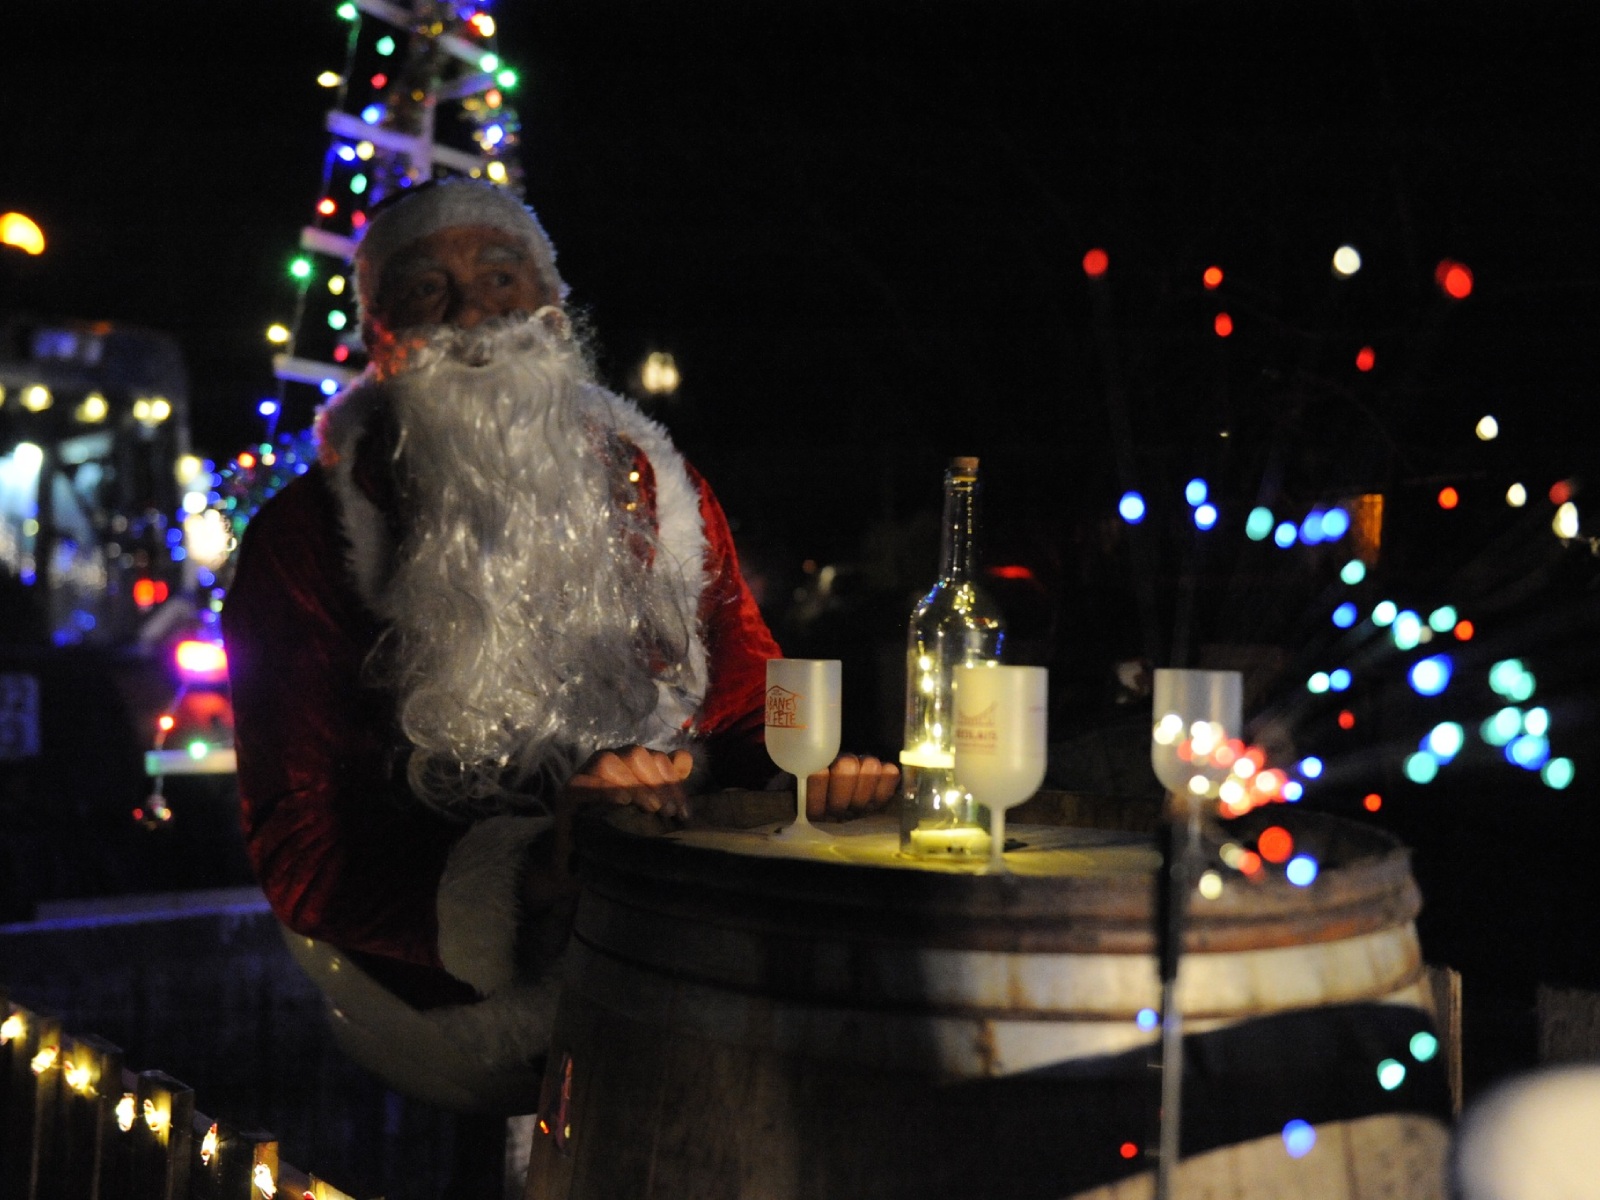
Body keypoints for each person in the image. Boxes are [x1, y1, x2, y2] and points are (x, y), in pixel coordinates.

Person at [221, 179, 897, 1106]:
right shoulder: (308, 541)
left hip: (674, 949)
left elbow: (753, 697)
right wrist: (534, 871)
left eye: (502, 278)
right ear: (381, 332)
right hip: (447, 1009)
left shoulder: (660, 487)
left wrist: (806, 774)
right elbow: (305, 856)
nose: (474, 313)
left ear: (552, 305)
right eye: (428, 291)